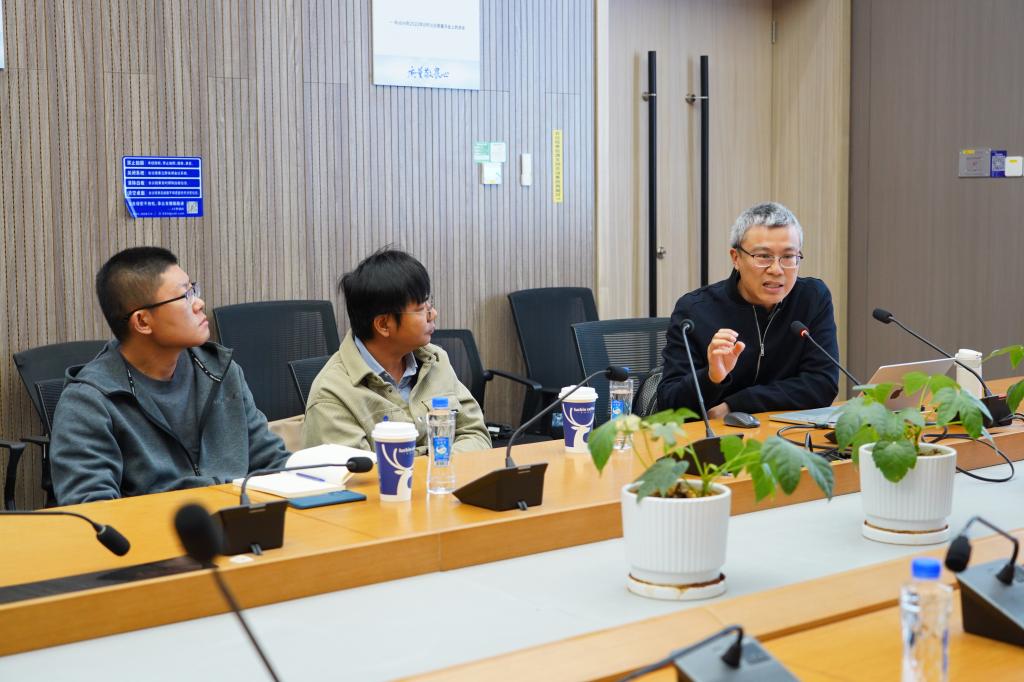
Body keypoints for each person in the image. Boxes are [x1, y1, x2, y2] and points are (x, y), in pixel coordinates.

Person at [50, 247, 291, 505]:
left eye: (193, 290)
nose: (199, 303)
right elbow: (92, 508)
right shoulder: (89, 401)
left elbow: (272, 463)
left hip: (239, 522)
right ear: (142, 322)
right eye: (185, 296)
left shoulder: (220, 371)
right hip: (153, 529)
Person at [657, 202, 839, 417]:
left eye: (789, 257)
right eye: (763, 256)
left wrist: (735, 405)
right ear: (736, 258)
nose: (777, 270)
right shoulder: (695, 310)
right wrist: (711, 377)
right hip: (716, 434)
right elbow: (669, 404)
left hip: (786, 431)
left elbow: (822, 384)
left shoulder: (812, 298)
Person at [302, 249, 491, 454]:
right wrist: (436, 457)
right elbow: (359, 471)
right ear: (384, 324)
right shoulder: (332, 394)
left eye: (430, 304)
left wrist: (425, 460)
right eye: (420, 309)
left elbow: (477, 436)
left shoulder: (436, 361)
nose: (433, 314)